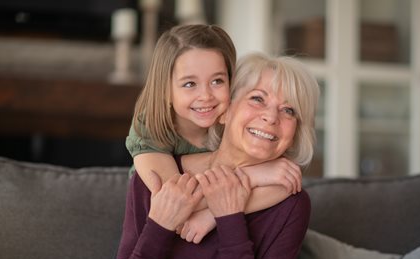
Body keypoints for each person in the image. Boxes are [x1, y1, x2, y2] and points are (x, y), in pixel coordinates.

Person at [111, 52, 319, 259]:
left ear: (296, 131)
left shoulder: (291, 204)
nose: (271, 117)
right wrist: (159, 227)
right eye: (257, 98)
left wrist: (228, 217)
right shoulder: (157, 179)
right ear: (226, 110)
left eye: (289, 110)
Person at [126, 23, 303, 244]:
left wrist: (211, 216)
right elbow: (173, 200)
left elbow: (283, 184)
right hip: (145, 230)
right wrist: (253, 176)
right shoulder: (151, 124)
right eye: (190, 84)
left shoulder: (231, 122)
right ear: (166, 91)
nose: (206, 95)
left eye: (217, 81)